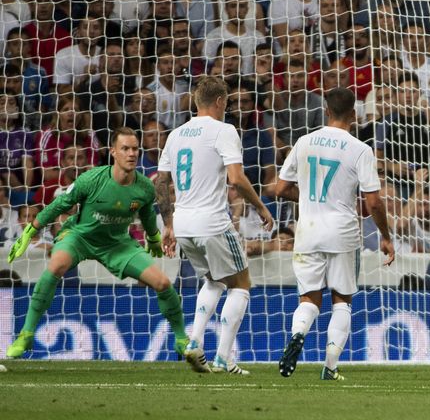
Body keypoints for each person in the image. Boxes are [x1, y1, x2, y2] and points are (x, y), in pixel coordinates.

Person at [5, 127, 189, 359]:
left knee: (162, 282)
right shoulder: (91, 179)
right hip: (80, 236)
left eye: (135, 149)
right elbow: (60, 205)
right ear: (113, 152)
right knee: (56, 265)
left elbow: (147, 215)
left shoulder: (144, 187)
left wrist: (153, 237)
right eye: (125, 149)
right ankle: (26, 333)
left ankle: (182, 339)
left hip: (117, 244)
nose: (131, 153)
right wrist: (31, 230)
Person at [156, 76, 274, 374]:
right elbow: (236, 178)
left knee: (214, 281)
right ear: (221, 102)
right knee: (241, 285)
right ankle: (223, 357)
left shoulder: (175, 134)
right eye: (227, 102)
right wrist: (260, 206)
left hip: (183, 224)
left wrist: (168, 224)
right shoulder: (224, 130)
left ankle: (194, 341)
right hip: (212, 222)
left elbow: (161, 182)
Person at [275, 88, 395, 381]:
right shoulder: (360, 149)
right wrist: (386, 236)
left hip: (308, 230)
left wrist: (306, 199)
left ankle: (299, 332)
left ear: (326, 111)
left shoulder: (303, 142)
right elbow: (374, 202)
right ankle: (330, 367)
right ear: (353, 115)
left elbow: (279, 189)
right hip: (342, 231)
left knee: (309, 298)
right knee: (342, 299)